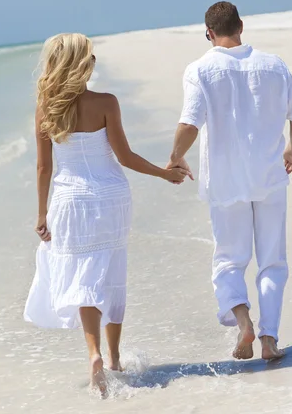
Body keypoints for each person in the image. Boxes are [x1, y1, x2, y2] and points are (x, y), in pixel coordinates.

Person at [24, 33, 188, 395]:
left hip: (69, 202)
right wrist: (165, 173)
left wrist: (41, 214)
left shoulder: (45, 108)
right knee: (111, 271)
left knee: (84, 277)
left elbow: (42, 169)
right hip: (111, 197)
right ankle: (114, 358)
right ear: (82, 64)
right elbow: (125, 157)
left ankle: (95, 353)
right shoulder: (106, 102)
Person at [166, 2, 292, 361]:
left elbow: (189, 124)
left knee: (229, 260)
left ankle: (243, 318)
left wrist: (174, 158)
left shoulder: (200, 69)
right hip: (271, 177)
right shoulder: (274, 64)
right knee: (272, 260)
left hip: (226, 181)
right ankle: (270, 338)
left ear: (209, 33)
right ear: (241, 26)